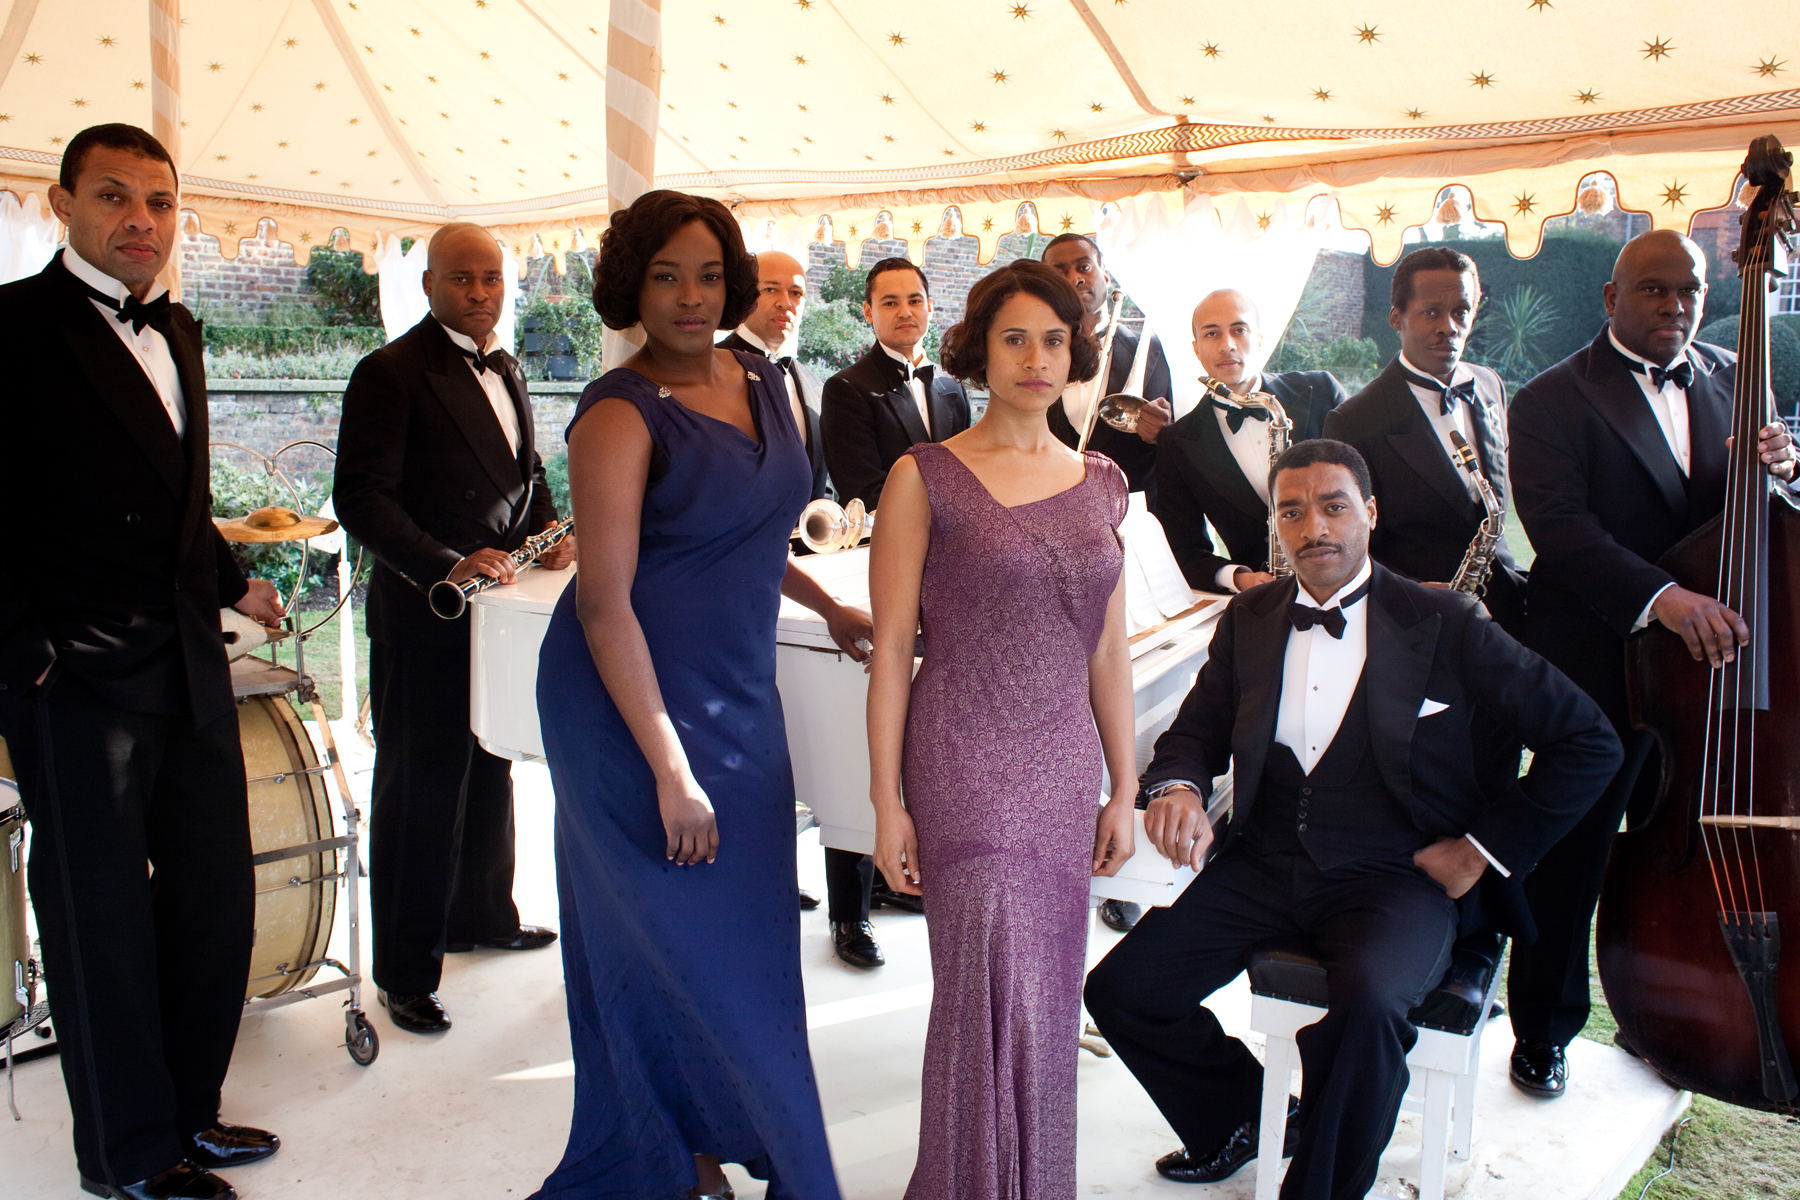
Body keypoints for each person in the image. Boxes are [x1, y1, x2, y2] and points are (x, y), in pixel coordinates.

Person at [1083, 438, 1620, 1199]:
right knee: (1125, 990)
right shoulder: (1251, 617)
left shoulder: (1445, 620)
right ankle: (1236, 1117)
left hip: (1396, 876)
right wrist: (1177, 787)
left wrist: (1483, 849)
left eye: (1333, 506)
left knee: (1366, 1010)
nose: (1314, 529)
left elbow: (1588, 741)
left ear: (1369, 512)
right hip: (1265, 863)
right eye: (1293, 512)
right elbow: (1196, 732)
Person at [531, 189, 869, 1200]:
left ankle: (697, 1146)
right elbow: (603, 607)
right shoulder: (617, 412)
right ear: (631, 282)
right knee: (661, 945)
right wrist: (670, 770)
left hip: (737, 692)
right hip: (627, 707)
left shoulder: (763, 378)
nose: (689, 296)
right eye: (666, 274)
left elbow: (754, 530)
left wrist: (829, 607)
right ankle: (665, 1155)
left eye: (709, 274)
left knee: (750, 949)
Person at [0, 123, 283, 1200]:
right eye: (114, 197)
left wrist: (226, 579)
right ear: (62, 202)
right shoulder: (13, 327)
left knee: (216, 901)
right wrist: (28, 659)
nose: (140, 221)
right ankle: (127, 1156)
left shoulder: (183, 332)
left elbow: (170, 498)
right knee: (100, 923)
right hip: (75, 682)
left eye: (160, 203)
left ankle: (192, 1112)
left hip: (186, 664)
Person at [867, 259, 1140, 1199]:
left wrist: (1126, 785)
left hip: (1063, 770)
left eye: (1054, 339)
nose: (1036, 358)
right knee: (983, 995)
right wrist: (884, 803)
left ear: (1077, 351)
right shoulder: (924, 475)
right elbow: (893, 646)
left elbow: (1109, 653)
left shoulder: (1105, 482)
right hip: (962, 764)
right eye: (1014, 338)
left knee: (1045, 998)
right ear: (979, 350)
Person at [1505, 228, 1798, 1098]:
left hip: (1712, 680)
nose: (1674, 307)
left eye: (1690, 292)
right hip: (1602, 666)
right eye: (1654, 290)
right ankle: (1544, 1032)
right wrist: (1664, 601)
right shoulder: (1551, 399)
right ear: (1612, 297)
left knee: (1705, 846)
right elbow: (1560, 531)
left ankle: (1679, 1008)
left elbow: (1763, 517)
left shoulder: (1735, 380)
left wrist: (1786, 467)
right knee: (1577, 856)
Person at [333, 223, 570, 1037]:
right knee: (419, 788)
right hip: (427, 608)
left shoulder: (505, 366)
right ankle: (404, 970)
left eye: (492, 277)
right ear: (429, 283)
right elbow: (361, 498)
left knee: (490, 763)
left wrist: (548, 526)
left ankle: (482, 913)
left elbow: (524, 475)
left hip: (497, 615)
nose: (480, 292)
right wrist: (444, 561)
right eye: (463, 278)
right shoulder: (389, 371)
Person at [719, 249, 902, 966]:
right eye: (770, 289)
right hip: (751, 591)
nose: (785, 302)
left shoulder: (792, 372)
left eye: (796, 291)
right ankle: (780, 889)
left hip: (808, 573)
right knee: (788, 745)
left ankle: (847, 909)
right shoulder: (726, 370)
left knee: (831, 735)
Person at [1323, 247, 1527, 637]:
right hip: (1420, 621)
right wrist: (1411, 591)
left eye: (1461, 311)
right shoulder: (1353, 421)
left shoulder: (1489, 385)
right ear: (1396, 318)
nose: (1449, 326)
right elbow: (1349, 545)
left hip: (1508, 611)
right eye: (1431, 312)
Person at [1155, 288, 1345, 592]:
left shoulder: (1322, 391)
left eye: (1239, 330)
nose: (1227, 345)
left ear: (1258, 339)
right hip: (1270, 596)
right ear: (1196, 349)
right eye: (1212, 334)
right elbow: (1184, 551)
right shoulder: (1176, 443)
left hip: (1352, 578)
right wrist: (1242, 578)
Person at [820, 257, 971, 510]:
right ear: (868, 311)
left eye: (915, 301)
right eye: (890, 303)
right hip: (890, 539)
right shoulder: (846, 388)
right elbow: (863, 492)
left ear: (930, 306)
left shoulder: (952, 385)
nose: (905, 312)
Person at [1041, 233, 1174, 500]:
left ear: (1105, 276)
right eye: (1060, 272)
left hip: (1135, 514)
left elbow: (1186, 445)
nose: (1075, 278)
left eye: (1084, 267)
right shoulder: (1035, 358)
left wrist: (1166, 434)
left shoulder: (1157, 351)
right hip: (1055, 510)